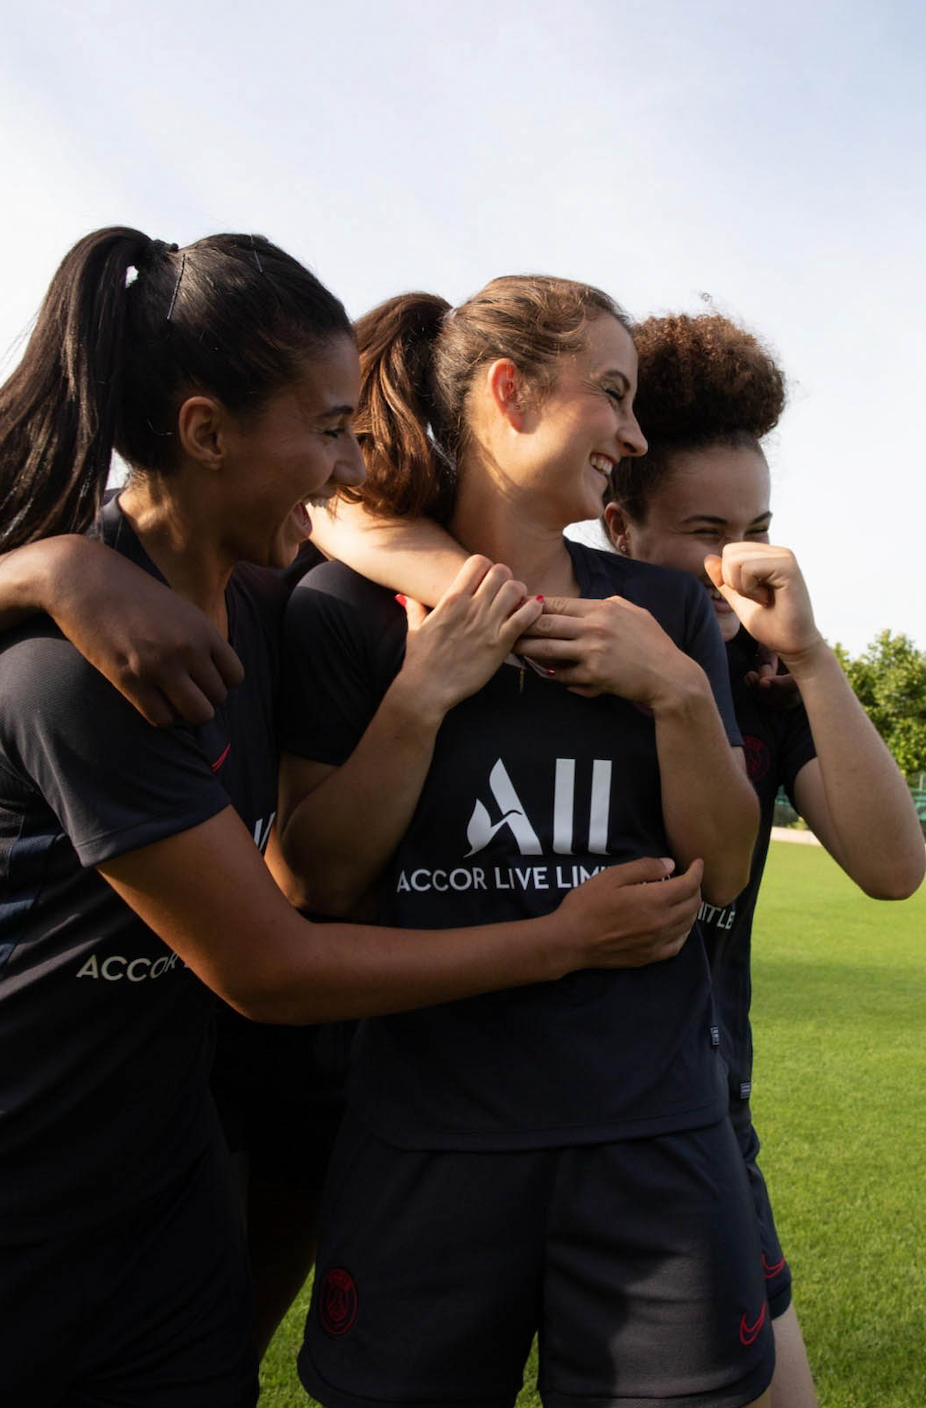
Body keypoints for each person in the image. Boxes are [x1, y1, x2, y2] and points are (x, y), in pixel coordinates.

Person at [0, 231, 706, 1408]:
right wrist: (564, 940)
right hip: (28, 1175)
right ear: (206, 430)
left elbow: (372, 534)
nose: (352, 460)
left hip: (163, 1180)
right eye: (328, 429)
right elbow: (268, 966)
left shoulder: (261, 608)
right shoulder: (75, 670)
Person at [314, 310, 924, 1408]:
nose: (737, 560)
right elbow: (344, 512)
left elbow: (890, 867)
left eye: (758, 524)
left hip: (687, 1111)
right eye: (705, 527)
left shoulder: (759, 682)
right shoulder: (529, 612)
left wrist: (809, 655)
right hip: (483, 1114)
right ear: (617, 528)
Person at [274, 278, 772, 1408]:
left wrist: (680, 696)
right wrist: (417, 701)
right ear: (507, 391)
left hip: (651, 1134)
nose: (635, 435)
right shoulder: (341, 610)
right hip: (426, 1138)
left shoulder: (664, 611)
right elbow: (311, 879)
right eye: (612, 394)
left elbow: (726, 868)